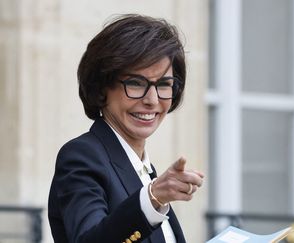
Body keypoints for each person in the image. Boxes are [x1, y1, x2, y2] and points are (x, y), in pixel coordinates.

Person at [48, 14, 204, 243]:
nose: (152, 100)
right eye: (136, 83)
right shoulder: (82, 157)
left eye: (163, 85)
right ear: (102, 87)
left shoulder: (143, 169)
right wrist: (152, 198)